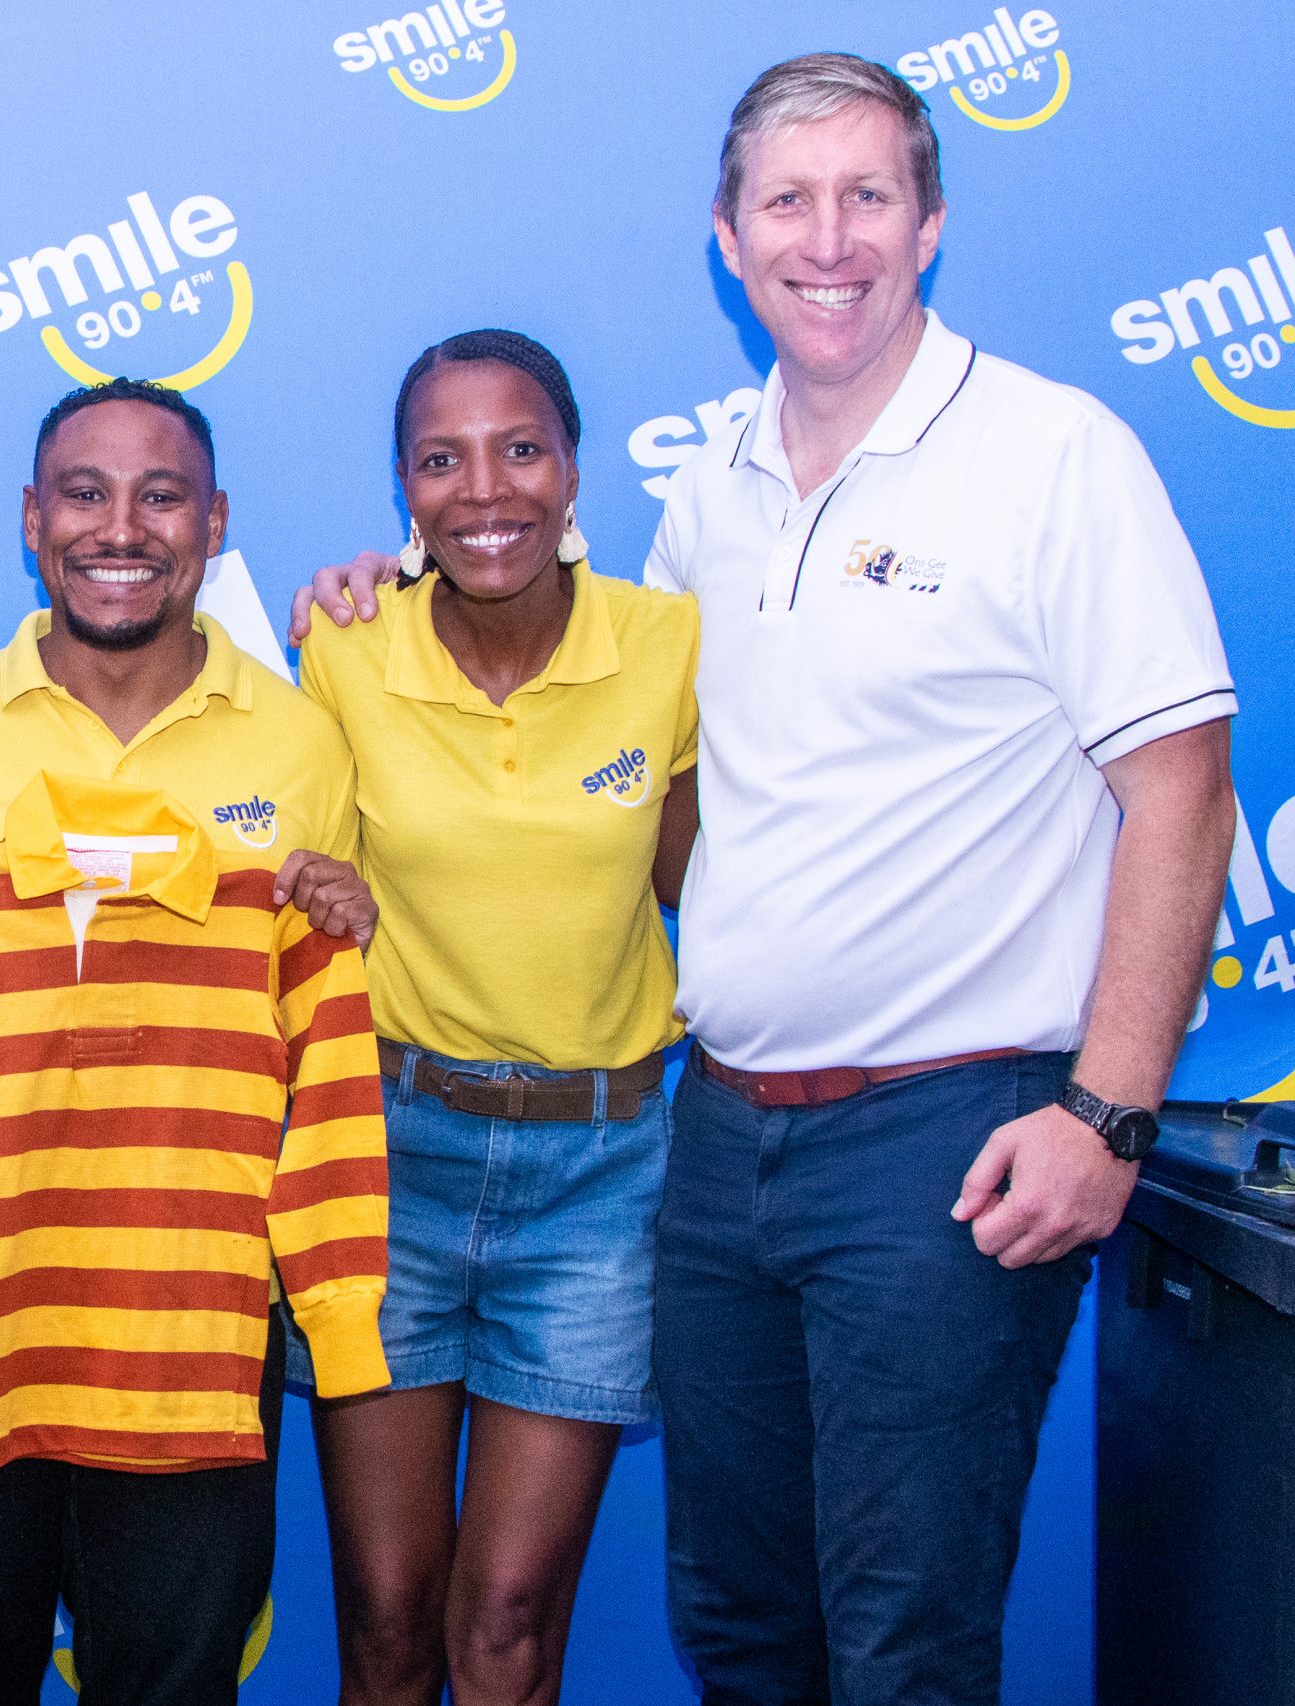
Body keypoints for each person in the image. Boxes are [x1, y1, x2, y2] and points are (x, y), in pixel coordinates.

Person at [292, 51, 1237, 1706]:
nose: (829, 238)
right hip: (717, 1142)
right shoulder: (709, 486)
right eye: (788, 201)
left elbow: (1183, 788)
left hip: (947, 1137)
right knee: (744, 1631)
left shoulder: (1052, 453)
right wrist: (396, 582)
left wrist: (1107, 1114)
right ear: (729, 242)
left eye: (868, 194)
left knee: (901, 1641)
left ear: (929, 224)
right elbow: (616, 720)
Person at [0, 379, 380, 1705]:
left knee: (174, 1680)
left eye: (161, 496)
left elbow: (326, 1044)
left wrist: (350, 920)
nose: (120, 528)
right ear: (31, 518)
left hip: (198, 1298)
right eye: (84, 493)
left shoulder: (303, 747)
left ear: (214, 525)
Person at [289, 329, 698, 1706]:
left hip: (598, 1180)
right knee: (386, 1620)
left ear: (573, 468)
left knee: (510, 1623)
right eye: (440, 458)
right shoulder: (344, 649)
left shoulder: (669, 644)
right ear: (403, 489)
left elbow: (700, 886)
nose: (484, 489)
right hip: (388, 1161)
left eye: (521, 448)